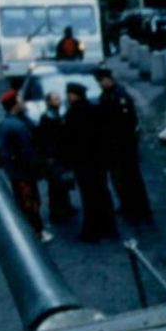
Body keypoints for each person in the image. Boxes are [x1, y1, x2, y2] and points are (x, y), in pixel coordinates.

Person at [94, 66, 153, 224]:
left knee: (131, 176)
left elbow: (128, 122)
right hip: (114, 144)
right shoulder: (105, 96)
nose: (101, 84)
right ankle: (127, 204)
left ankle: (140, 207)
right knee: (119, 177)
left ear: (109, 80)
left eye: (102, 81)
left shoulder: (120, 96)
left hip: (124, 144)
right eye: (99, 82)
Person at [0, 89, 52, 242]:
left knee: (25, 200)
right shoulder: (18, 126)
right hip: (23, 172)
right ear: (15, 104)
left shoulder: (7, 123)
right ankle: (36, 231)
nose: (23, 103)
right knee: (30, 202)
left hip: (15, 171)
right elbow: (28, 151)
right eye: (20, 100)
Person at [64, 82, 117, 242]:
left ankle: (92, 231)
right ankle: (109, 227)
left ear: (74, 95)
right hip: (99, 162)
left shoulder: (72, 114)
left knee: (89, 197)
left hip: (84, 164)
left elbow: (70, 142)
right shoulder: (95, 110)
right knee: (103, 193)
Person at [35, 91, 77, 223]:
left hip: (60, 156)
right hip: (54, 157)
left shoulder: (56, 115)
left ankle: (65, 207)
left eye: (59, 99)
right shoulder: (48, 118)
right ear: (48, 102)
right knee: (55, 185)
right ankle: (57, 211)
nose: (58, 101)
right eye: (55, 99)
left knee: (63, 183)